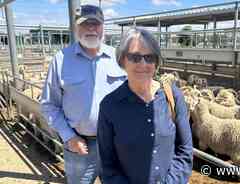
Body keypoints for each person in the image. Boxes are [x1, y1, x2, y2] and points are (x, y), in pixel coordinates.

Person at [40, 4, 126, 184]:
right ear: (76, 27)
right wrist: (69, 137)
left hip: (116, 145)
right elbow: (49, 104)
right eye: (85, 24)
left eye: (95, 23)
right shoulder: (61, 59)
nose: (91, 28)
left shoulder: (118, 57)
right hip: (80, 146)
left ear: (103, 26)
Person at [97, 28, 193, 184]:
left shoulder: (173, 97)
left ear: (156, 62)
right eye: (135, 57)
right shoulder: (110, 106)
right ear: (122, 60)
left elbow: (184, 150)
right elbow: (107, 166)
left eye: (149, 57)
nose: (143, 63)